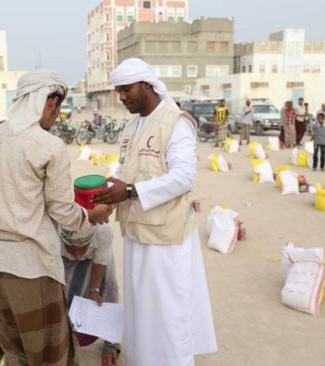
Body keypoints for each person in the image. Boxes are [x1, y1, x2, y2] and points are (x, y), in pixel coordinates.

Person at [0, 70, 111, 366]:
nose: (56, 116)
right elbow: (63, 210)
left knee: (15, 353)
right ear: (49, 103)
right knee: (49, 356)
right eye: (57, 109)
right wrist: (92, 215)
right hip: (29, 268)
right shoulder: (48, 146)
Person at [93, 58, 217, 366]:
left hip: (167, 239)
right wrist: (111, 196)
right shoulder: (133, 124)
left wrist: (131, 191)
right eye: (118, 91)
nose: (122, 97)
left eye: (126, 90)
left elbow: (183, 177)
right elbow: (128, 170)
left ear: (147, 85)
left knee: (167, 312)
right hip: (136, 233)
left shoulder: (176, 123)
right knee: (142, 312)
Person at [59, 224, 120, 366]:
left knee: (108, 290)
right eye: (72, 247)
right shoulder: (52, 231)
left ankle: (111, 343)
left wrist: (94, 290)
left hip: (96, 257)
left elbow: (101, 262)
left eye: (81, 247)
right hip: (61, 258)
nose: (76, 253)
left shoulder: (103, 232)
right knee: (61, 294)